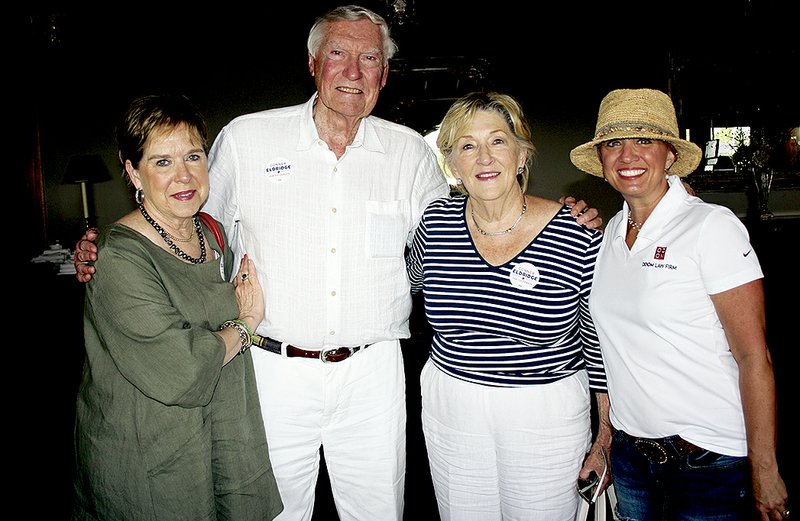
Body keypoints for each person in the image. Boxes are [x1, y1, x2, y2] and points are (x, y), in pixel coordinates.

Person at [72, 6, 602, 520]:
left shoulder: (408, 153)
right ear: (312, 64)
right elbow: (183, 210)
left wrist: (558, 213)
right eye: (338, 54)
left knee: (379, 510)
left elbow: (469, 219)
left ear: (385, 73)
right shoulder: (248, 139)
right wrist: (113, 238)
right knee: (274, 510)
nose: (353, 71)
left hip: (372, 373)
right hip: (274, 369)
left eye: (369, 58)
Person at [570, 88, 790, 520]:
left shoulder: (711, 227)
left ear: (670, 155)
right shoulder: (608, 234)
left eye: (645, 141)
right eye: (613, 143)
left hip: (708, 462)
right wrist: (606, 441)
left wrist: (765, 467)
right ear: (600, 160)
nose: (628, 155)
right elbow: (615, 357)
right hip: (632, 460)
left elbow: (753, 357)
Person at [71, 94, 283, 521]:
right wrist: (245, 325)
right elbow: (181, 369)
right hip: (149, 449)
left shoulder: (214, 233)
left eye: (192, 156)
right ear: (132, 171)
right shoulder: (117, 257)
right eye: (161, 162)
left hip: (222, 433)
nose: (183, 176)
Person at [406, 91, 611, 521]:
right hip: (452, 407)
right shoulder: (435, 226)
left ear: (521, 155)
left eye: (498, 141)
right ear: (453, 164)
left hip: (545, 414)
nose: (484, 157)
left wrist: (605, 435)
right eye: (467, 145)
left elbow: (600, 346)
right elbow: (403, 284)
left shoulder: (577, 234)